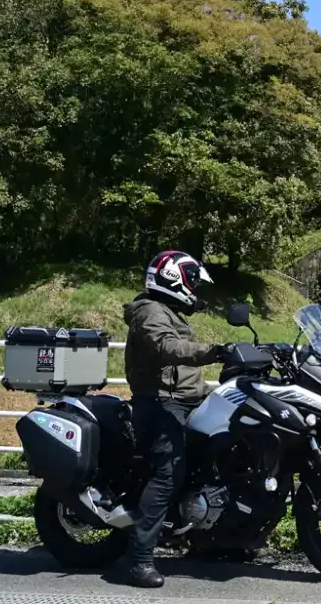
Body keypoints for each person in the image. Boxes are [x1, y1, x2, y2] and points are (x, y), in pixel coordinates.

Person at [122, 249, 225, 589]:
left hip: (187, 398)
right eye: (191, 282)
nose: (194, 290)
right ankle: (139, 559)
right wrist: (215, 351)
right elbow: (168, 348)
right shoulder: (150, 312)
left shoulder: (170, 311)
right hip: (160, 403)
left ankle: (222, 538)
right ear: (172, 278)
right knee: (169, 472)